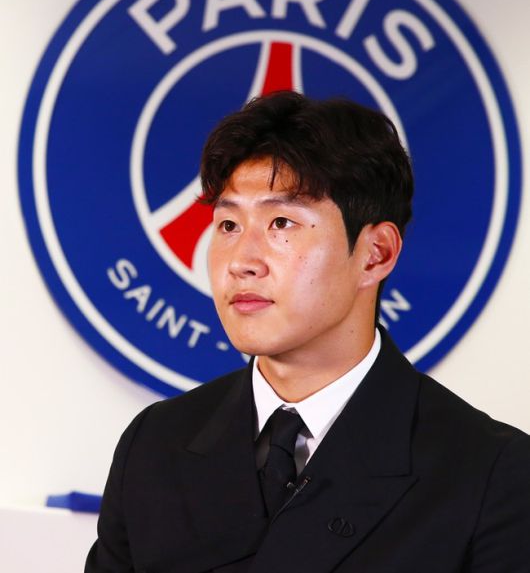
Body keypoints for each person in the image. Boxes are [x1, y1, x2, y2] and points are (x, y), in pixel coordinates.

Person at [85, 91, 530, 573]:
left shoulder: (490, 472)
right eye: (228, 225)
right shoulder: (154, 444)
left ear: (376, 253)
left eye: (281, 222)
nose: (241, 262)